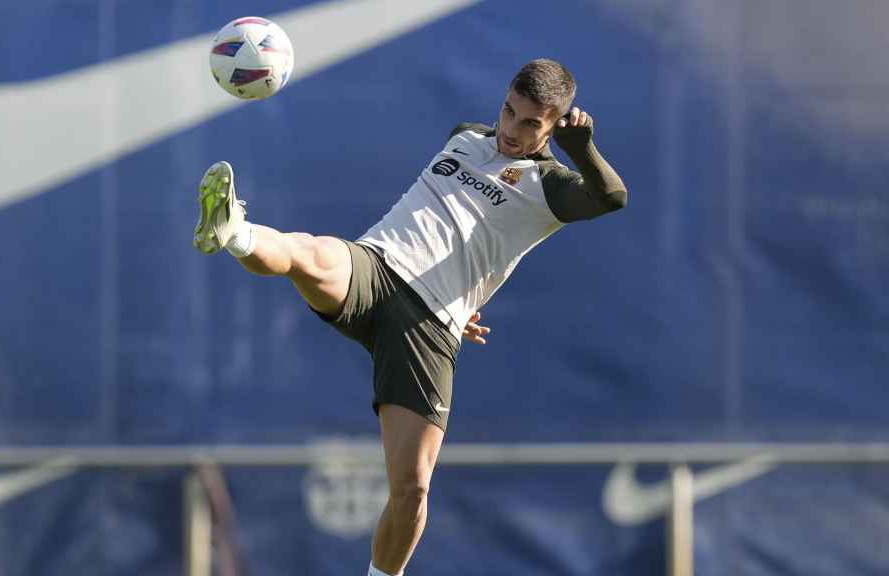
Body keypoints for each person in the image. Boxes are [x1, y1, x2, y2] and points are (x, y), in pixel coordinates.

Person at [193, 58, 627, 576]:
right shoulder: (466, 136)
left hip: (428, 328)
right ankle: (234, 228)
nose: (511, 129)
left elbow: (611, 197)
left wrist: (582, 150)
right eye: (509, 111)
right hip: (375, 269)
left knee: (413, 489)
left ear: (553, 125)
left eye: (530, 123)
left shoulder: (551, 186)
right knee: (308, 253)